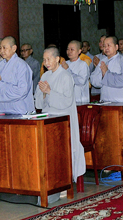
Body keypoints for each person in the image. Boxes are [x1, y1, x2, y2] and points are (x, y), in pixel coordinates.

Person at [34, 47, 86, 184]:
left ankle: (64, 181)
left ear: (57, 59)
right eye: (44, 60)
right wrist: (44, 93)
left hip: (63, 119)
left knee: (63, 150)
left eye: (49, 59)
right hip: (48, 118)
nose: (46, 63)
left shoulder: (66, 76)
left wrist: (49, 92)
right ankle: (51, 181)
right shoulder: (45, 76)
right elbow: (39, 103)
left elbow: (66, 101)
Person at [0, 36, 34, 114]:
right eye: (0, 48)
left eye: (4, 48)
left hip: (19, 111)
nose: (2, 51)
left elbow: (22, 91)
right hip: (1, 110)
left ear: (14, 48)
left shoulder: (21, 65)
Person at [90, 36, 123, 102]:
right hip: (105, 100)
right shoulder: (102, 61)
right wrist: (102, 77)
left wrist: (106, 74)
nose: (106, 48)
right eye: (104, 46)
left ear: (116, 47)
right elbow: (93, 79)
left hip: (122, 101)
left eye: (109, 45)